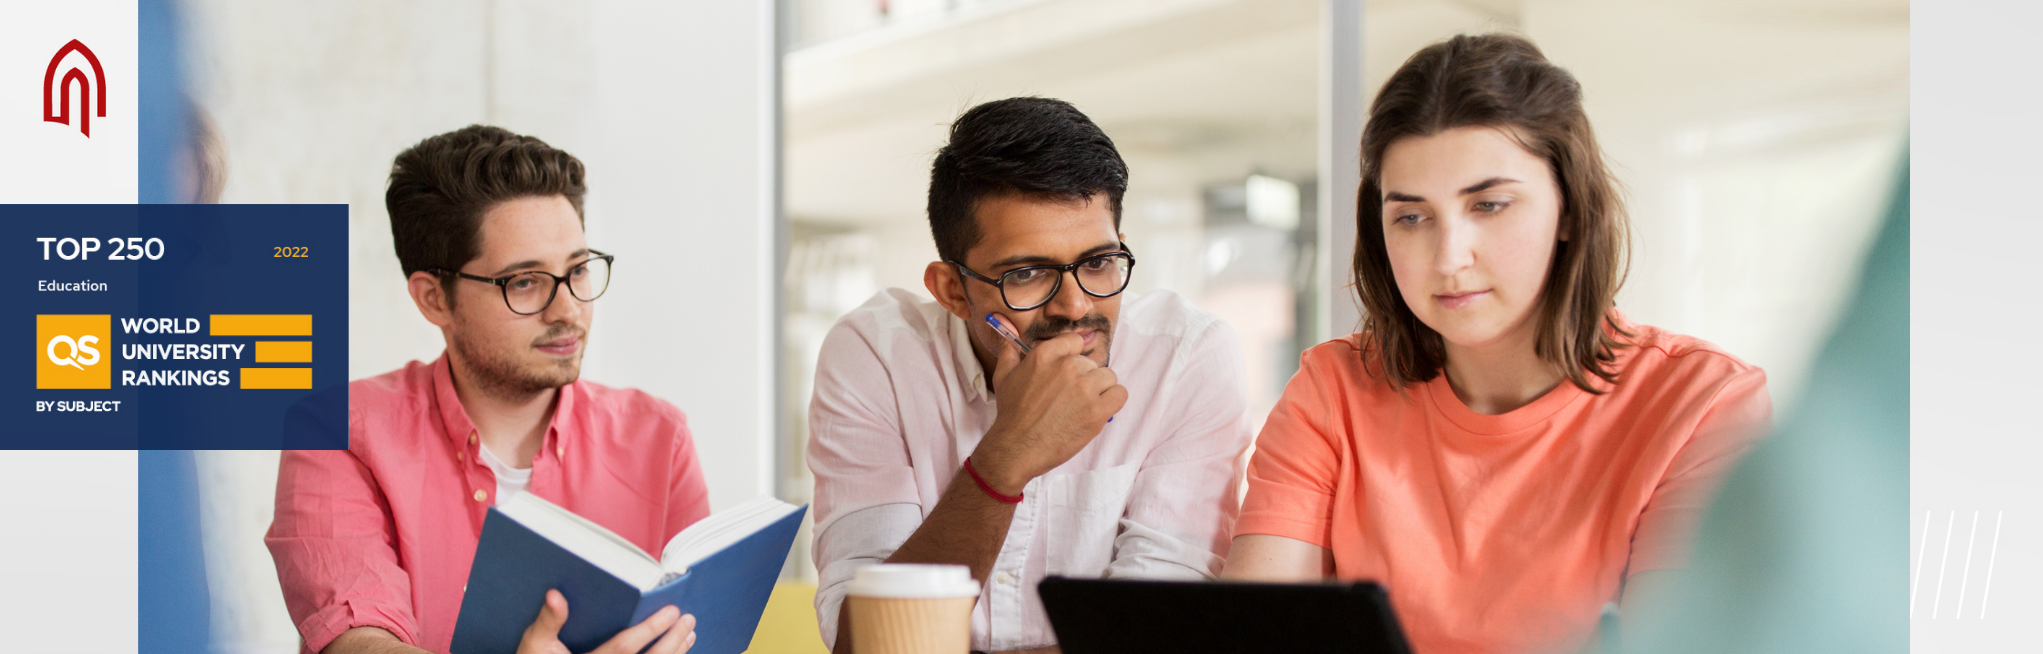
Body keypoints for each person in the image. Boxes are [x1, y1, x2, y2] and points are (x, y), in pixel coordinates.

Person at [1221, 34, 1772, 654]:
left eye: (1489, 204)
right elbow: (1255, 638)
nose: (1448, 258)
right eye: (1411, 216)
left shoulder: (1701, 406)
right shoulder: (1332, 392)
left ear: (1568, 210)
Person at [808, 97, 1254, 654]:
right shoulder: (877, 354)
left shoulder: (1186, 355)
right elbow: (868, 644)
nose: (1074, 306)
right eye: (1026, 273)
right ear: (952, 290)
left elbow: (1162, 632)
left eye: (1098, 262)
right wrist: (1006, 457)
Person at [267, 126, 707, 654]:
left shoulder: (659, 438)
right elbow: (360, 641)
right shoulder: (337, 431)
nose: (567, 310)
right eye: (524, 282)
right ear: (434, 299)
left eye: (578, 271)